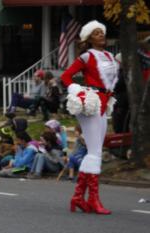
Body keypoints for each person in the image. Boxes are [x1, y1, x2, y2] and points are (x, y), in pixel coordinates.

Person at [61, 20, 119, 214]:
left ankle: (78, 197)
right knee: (94, 152)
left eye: (101, 32)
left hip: (104, 104)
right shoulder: (87, 56)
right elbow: (66, 76)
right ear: (88, 38)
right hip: (91, 104)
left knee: (95, 152)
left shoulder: (110, 56)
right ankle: (92, 200)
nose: (100, 35)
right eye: (95, 33)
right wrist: (78, 91)